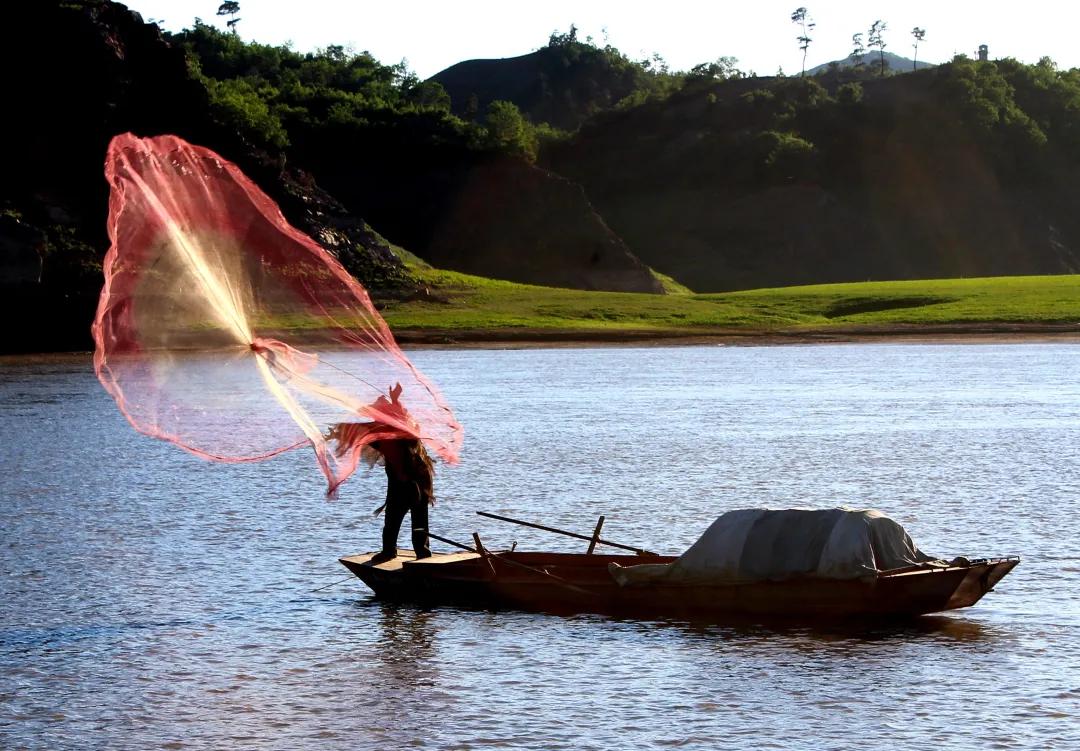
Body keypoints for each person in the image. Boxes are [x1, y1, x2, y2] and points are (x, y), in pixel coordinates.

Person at [368, 438, 435, 564]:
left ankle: (393, 551)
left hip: (412, 483)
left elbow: (402, 472)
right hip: (411, 481)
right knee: (410, 518)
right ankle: (419, 551)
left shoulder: (393, 443)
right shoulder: (399, 438)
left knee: (396, 518)